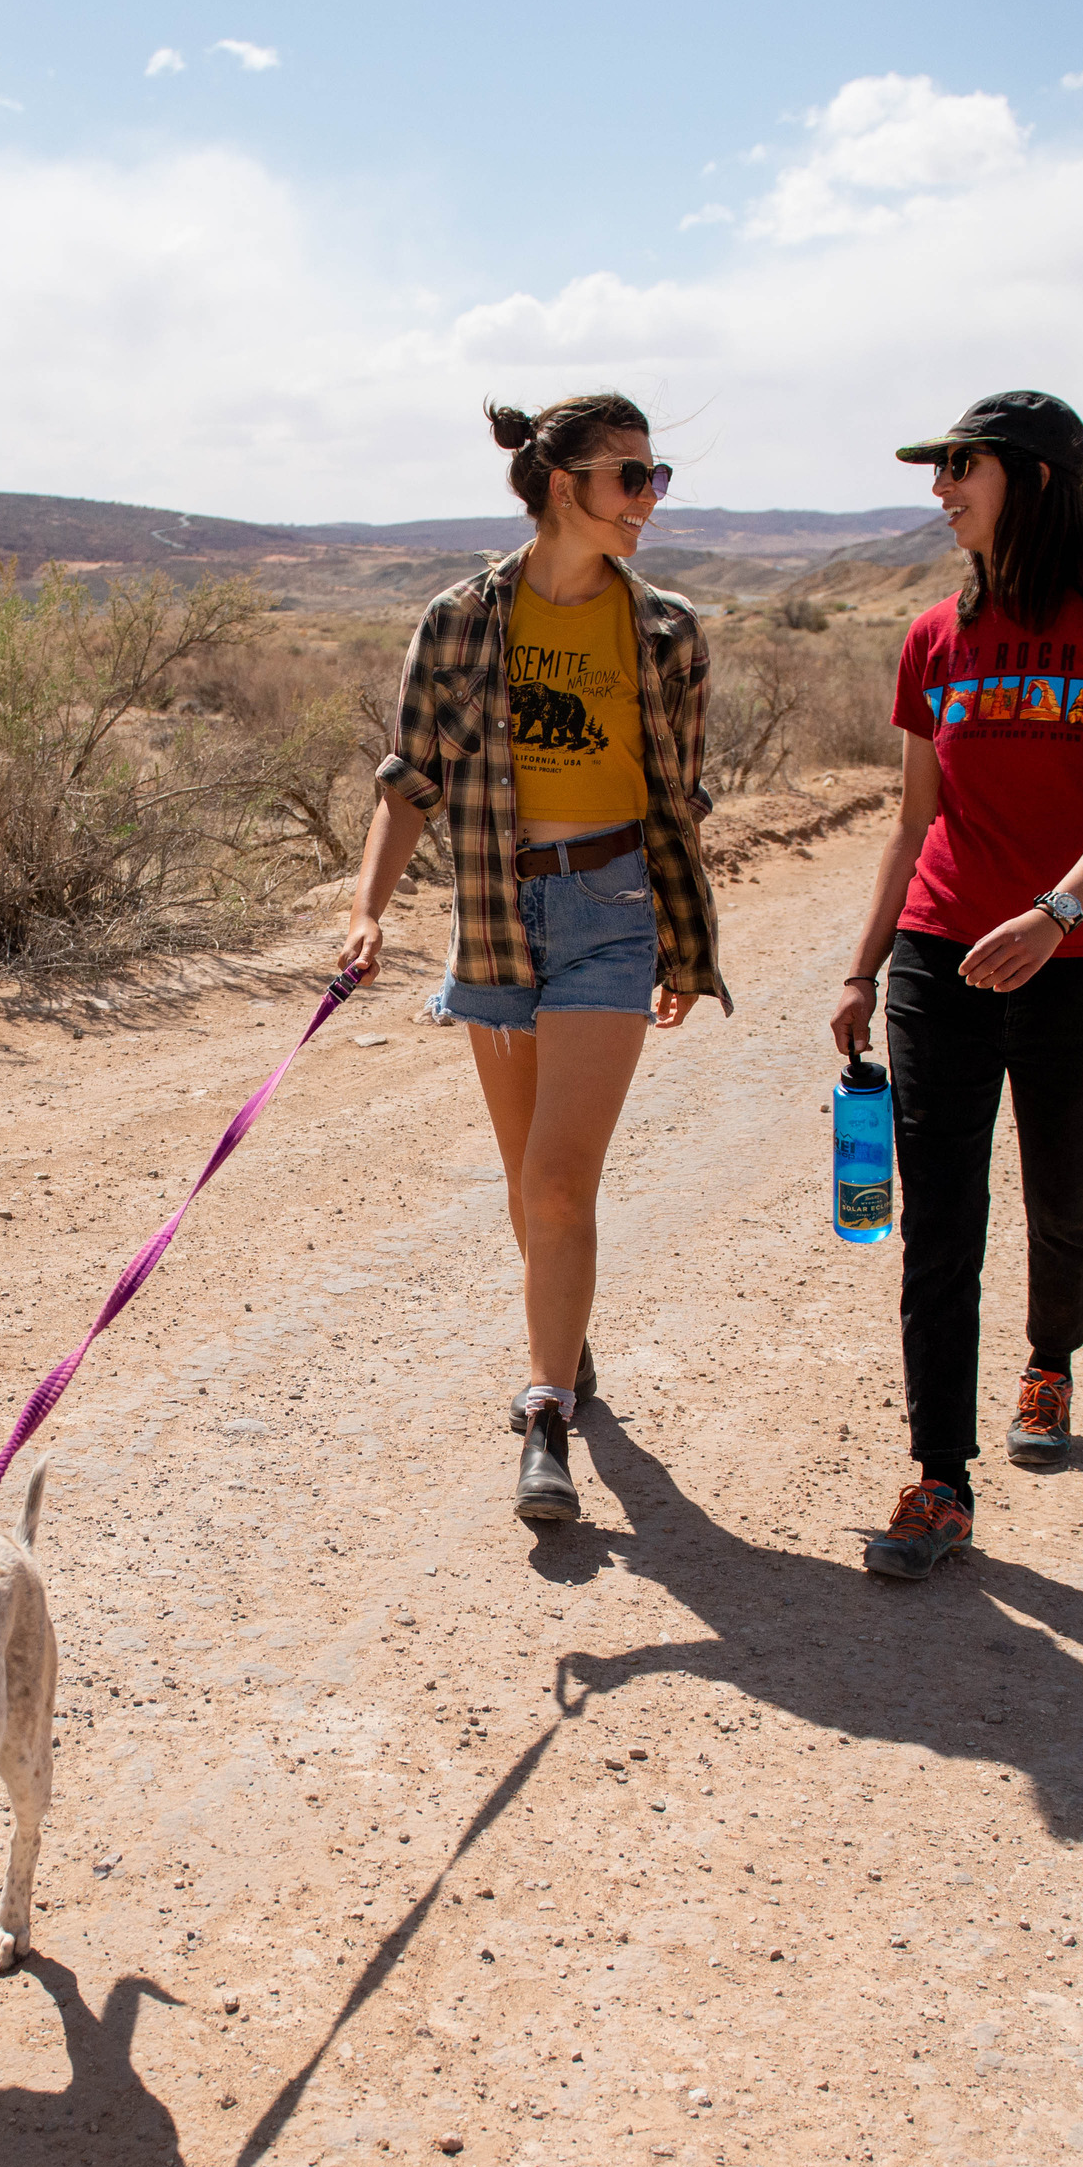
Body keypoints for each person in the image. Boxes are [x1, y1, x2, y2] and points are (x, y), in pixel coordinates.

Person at [340, 393, 731, 1524]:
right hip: (496, 912)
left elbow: (678, 799)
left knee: (561, 1181)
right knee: (528, 1192)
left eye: (657, 478)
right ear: (564, 486)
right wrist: (367, 909)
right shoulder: (461, 619)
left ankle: (544, 1412)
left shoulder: (667, 630)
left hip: (612, 907)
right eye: (630, 478)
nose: (648, 500)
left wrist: (681, 936)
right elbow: (407, 776)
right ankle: (566, 1335)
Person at [828, 391, 1083, 1579]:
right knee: (937, 1216)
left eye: (958, 468)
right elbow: (909, 823)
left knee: (1062, 1193)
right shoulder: (935, 637)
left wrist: (1052, 914)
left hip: (1078, 962)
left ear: (1029, 478)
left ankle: (1050, 1357)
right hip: (943, 956)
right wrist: (862, 963)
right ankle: (939, 1476)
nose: (938, 490)